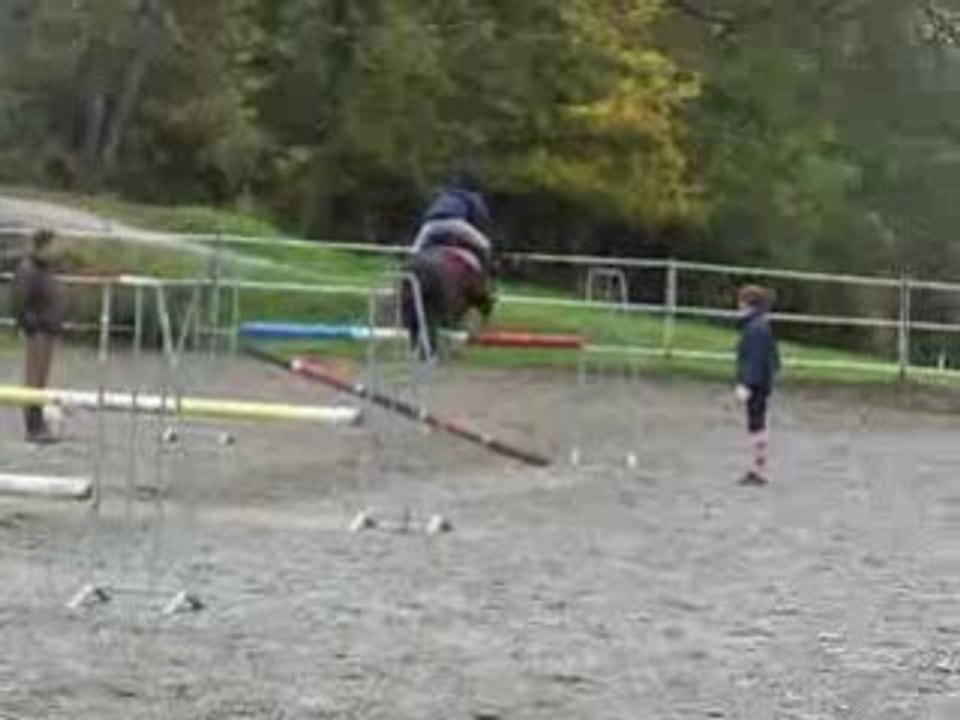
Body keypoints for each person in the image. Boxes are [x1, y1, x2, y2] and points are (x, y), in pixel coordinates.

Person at [11, 229, 65, 444]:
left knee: (41, 381)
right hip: (38, 331)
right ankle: (33, 427)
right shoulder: (29, 269)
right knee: (34, 380)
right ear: (44, 245)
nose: (57, 249)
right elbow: (20, 301)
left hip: (47, 329)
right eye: (54, 245)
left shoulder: (44, 268)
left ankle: (39, 423)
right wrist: (33, 325)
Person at [734, 285, 780, 486]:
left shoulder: (755, 328)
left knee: (756, 424)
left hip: (756, 383)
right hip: (761, 382)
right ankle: (757, 467)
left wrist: (746, 383)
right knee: (756, 423)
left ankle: (758, 469)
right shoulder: (760, 325)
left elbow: (754, 359)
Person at [410, 169, 494, 274]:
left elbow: (427, 213)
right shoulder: (471, 196)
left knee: (414, 253)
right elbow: (481, 218)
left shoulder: (444, 195)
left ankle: (407, 278)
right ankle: (484, 276)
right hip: (455, 223)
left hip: (430, 225)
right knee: (486, 245)